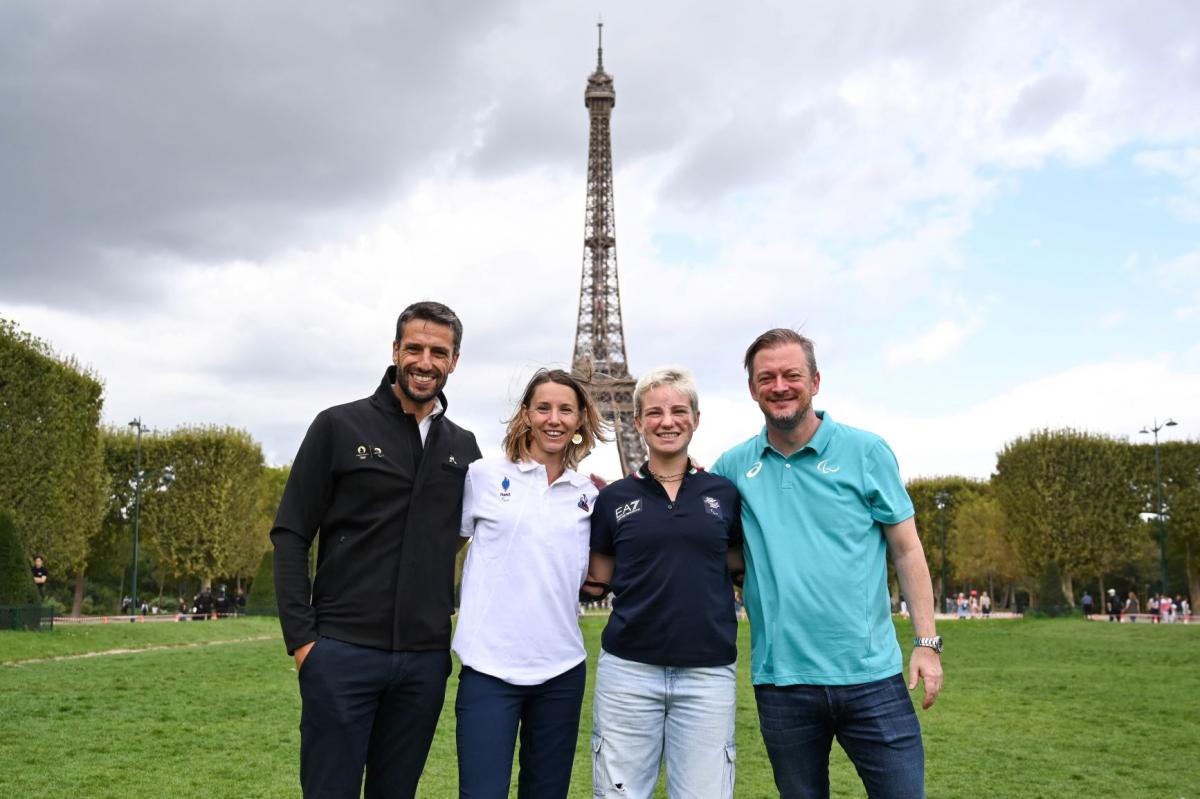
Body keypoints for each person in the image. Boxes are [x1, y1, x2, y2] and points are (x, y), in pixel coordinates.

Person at [711, 328, 942, 799]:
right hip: (782, 681)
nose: (780, 386)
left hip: (871, 676)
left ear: (815, 381)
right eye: (767, 377)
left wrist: (927, 642)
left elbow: (907, 549)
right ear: (753, 389)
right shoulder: (732, 467)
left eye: (791, 375)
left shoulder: (867, 451)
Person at [271, 301, 482, 799]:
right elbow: (291, 534)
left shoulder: (465, 448)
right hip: (340, 653)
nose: (424, 362)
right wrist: (304, 642)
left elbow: (467, 537)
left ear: (454, 361)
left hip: (423, 662)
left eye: (438, 351)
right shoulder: (338, 426)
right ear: (394, 351)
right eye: (414, 348)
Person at [585, 366, 744, 799]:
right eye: (654, 412)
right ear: (637, 421)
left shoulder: (725, 494)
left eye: (678, 411)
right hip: (629, 672)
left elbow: (736, 567)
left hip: (707, 673)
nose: (667, 421)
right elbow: (597, 578)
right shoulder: (613, 498)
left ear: (695, 418)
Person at [453, 369, 605, 799]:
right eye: (543, 408)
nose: (553, 419)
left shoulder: (589, 496)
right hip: (489, 668)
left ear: (579, 420)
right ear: (526, 414)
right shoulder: (482, 476)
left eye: (565, 409)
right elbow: (445, 547)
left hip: (560, 670)